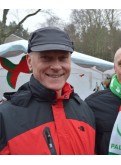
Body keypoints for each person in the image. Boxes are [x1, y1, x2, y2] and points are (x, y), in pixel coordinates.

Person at [0, 27, 95, 155]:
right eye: (46, 58)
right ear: (29, 62)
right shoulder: (5, 117)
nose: (56, 66)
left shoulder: (85, 110)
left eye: (62, 58)